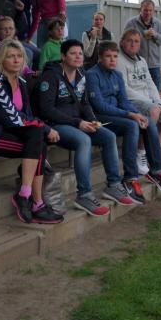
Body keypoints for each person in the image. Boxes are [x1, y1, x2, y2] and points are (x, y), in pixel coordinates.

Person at [0, 39, 63, 224]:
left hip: (5, 130)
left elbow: (26, 115)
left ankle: (34, 201)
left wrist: (41, 128)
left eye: (19, 56)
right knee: (38, 140)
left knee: (37, 137)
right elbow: (12, 116)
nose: (16, 60)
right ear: (1, 60)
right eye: (10, 56)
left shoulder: (21, 82)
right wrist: (46, 128)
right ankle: (28, 198)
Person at [35, 39, 132, 214]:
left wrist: (93, 120)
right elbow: (46, 109)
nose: (78, 56)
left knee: (108, 136)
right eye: (73, 53)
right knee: (84, 140)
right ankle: (84, 195)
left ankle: (114, 185)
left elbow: (85, 103)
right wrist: (77, 122)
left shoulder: (81, 73)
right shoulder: (51, 76)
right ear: (63, 56)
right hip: (55, 125)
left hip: (77, 123)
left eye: (80, 53)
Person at [86, 41, 161, 204]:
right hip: (99, 117)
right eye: (108, 56)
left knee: (147, 121)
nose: (113, 60)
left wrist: (137, 114)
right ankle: (130, 177)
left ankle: (157, 171)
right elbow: (99, 106)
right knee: (131, 125)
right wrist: (130, 115)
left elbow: (124, 101)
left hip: (117, 115)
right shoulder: (92, 74)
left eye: (115, 56)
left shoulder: (117, 75)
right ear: (100, 58)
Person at [117, 28, 161, 174]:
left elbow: (150, 84)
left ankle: (152, 147)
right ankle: (141, 153)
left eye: (136, 41)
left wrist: (158, 101)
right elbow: (124, 89)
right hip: (131, 102)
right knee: (153, 111)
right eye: (129, 41)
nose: (133, 44)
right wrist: (152, 103)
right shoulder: (118, 60)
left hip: (149, 101)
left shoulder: (142, 61)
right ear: (122, 42)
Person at [123, 0, 161, 90]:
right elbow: (124, 41)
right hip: (136, 64)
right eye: (145, 10)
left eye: (150, 10)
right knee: (139, 91)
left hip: (154, 65)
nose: (148, 13)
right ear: (140, 10)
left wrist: (156, 35)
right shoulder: (131, 23)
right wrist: (139, 37)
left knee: (155, 92)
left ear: (154, 11)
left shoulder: (158, 23)